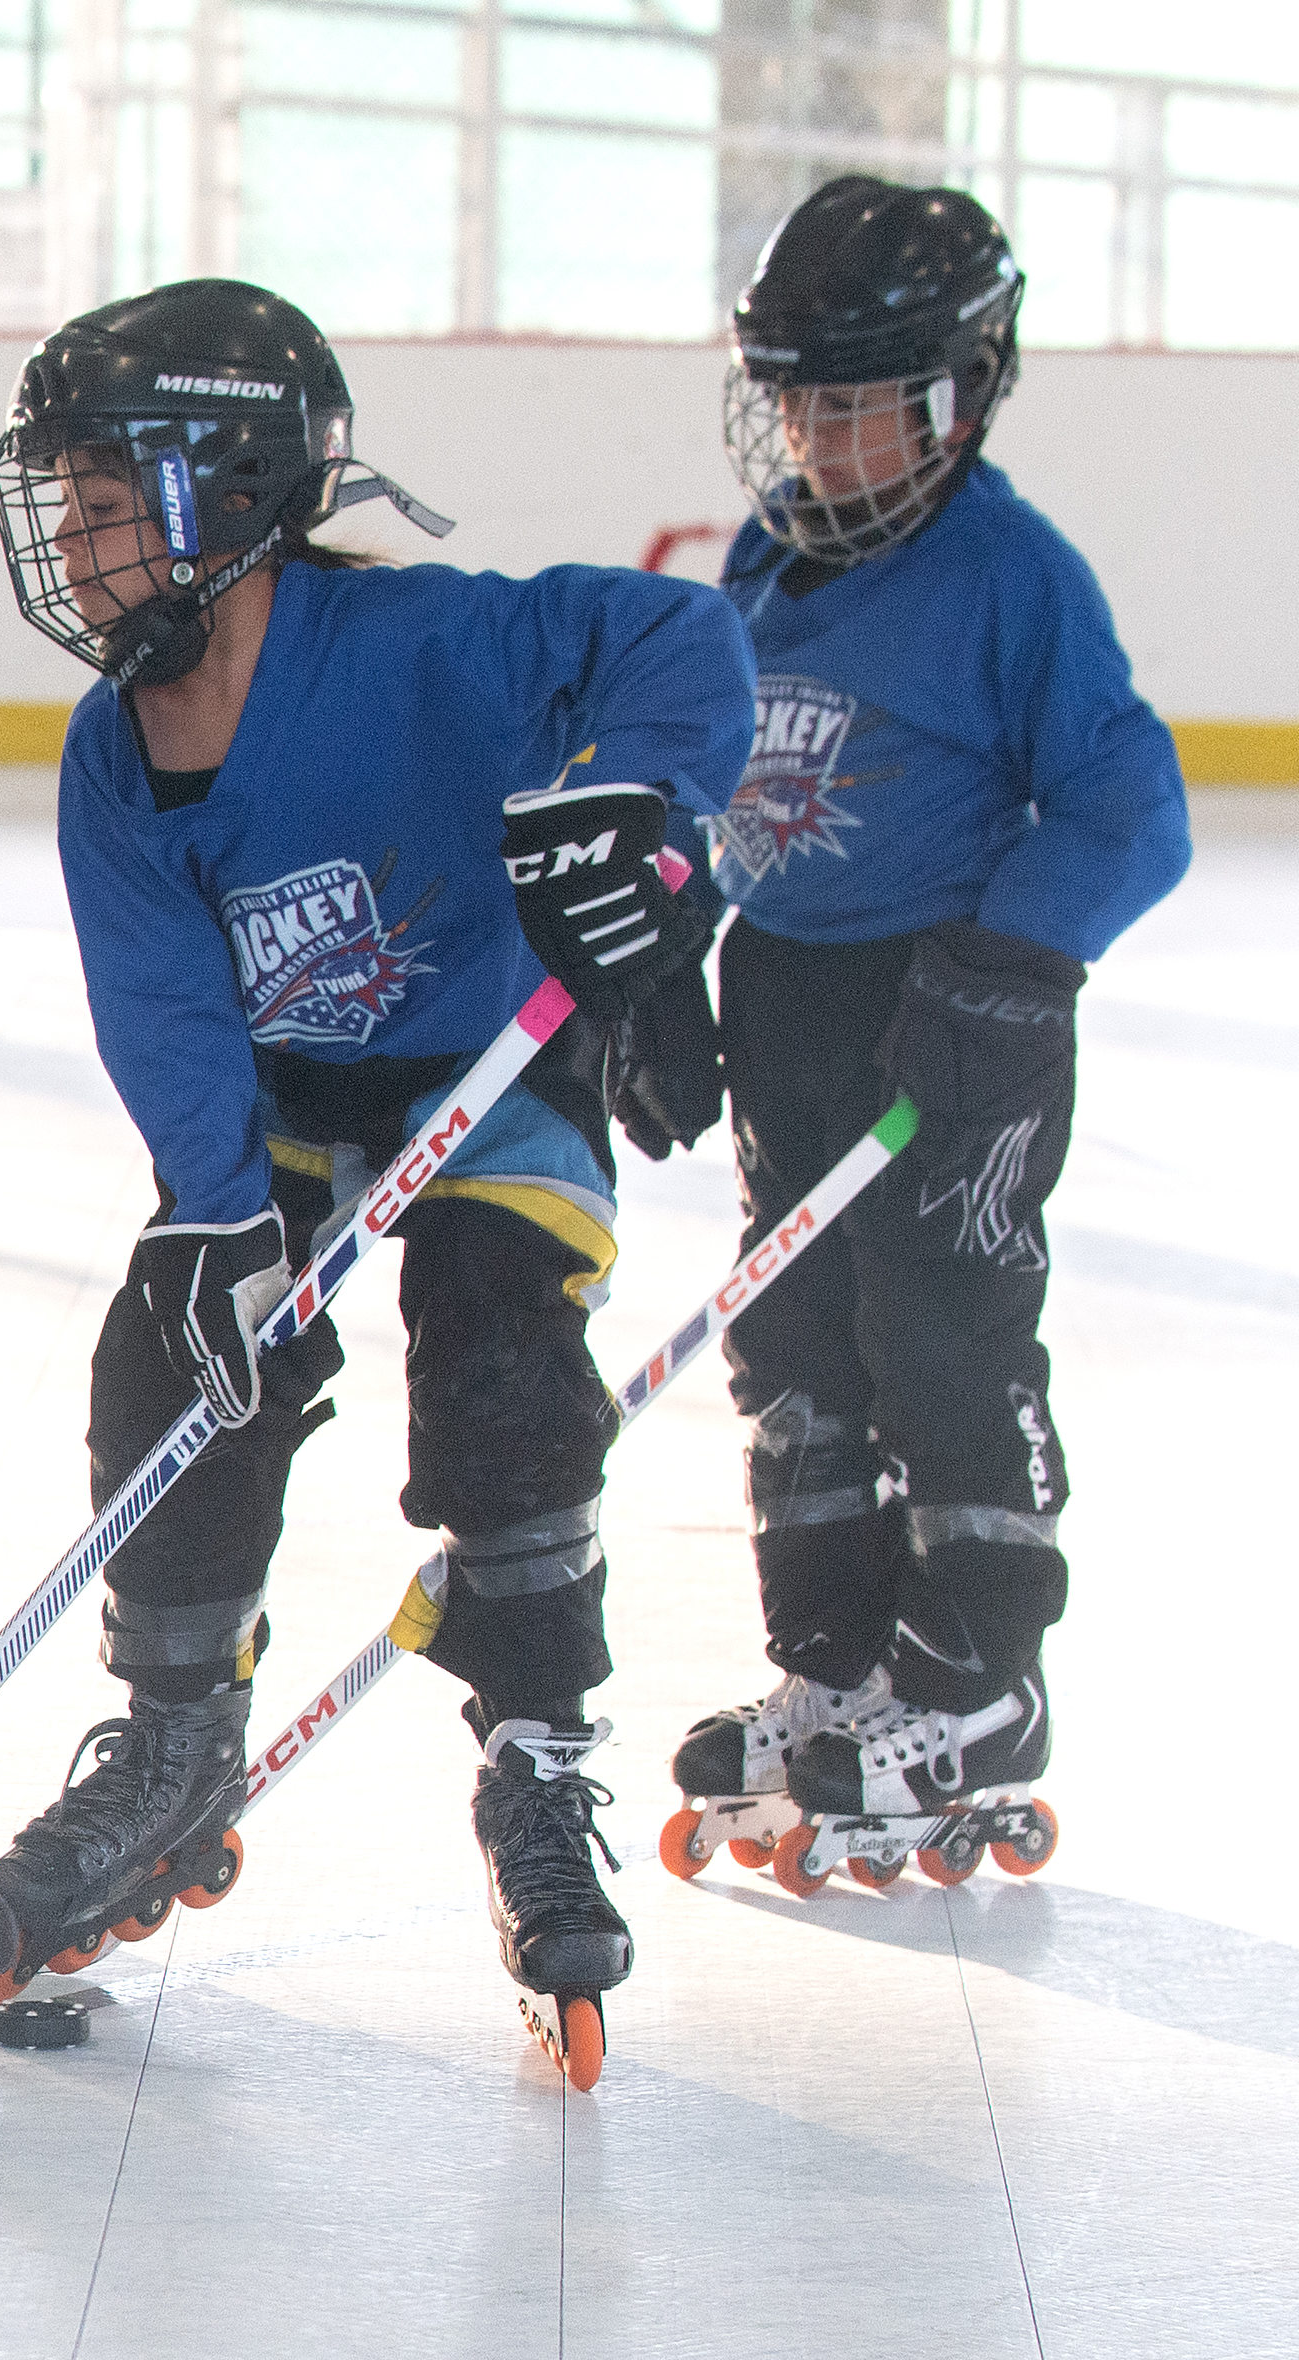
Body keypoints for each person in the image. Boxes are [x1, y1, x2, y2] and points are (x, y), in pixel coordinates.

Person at [0, 279, 755, 2055]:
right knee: (177, 1358)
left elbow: (681, 640)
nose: (72, 548)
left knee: (501, 1371)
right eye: (65, 506)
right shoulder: (117, 752)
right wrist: (213, 1208)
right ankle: (176, 1737)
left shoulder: (424, 644)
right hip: (287, 1104)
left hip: (492, 1072)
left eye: (107, 502)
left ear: (233, 491)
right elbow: (165, 1000)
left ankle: (539, 1756)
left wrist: (644, 809)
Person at [663, 179, 1190, 1888]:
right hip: (792, 997)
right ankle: (837, 1657)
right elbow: (714, 778)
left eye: (857, 405)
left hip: (957, 1013)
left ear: (961, 394)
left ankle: (979, 1680)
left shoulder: (1011, 577)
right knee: (796, 1329)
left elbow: (1132, 807)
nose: (817, 441)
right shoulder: (769, 559)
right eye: (797, 404)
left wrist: (1006, 968)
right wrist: (659, 959)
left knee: (941, 1327)